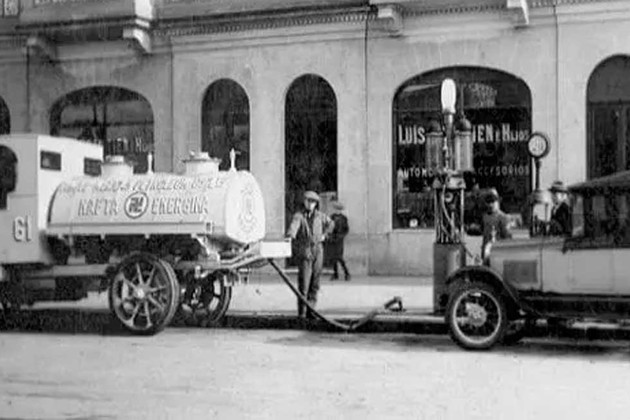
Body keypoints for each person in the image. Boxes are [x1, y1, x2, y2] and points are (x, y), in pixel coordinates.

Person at [286, 190, 335, 319]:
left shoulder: (320, 216)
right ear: (304, 202)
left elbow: (331, 223)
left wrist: (325, 235)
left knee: (315, 283)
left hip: (318, 250)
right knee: (304, 284)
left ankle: (311, 311)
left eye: (313, 202)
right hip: (305, 251)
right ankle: (302, 314)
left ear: (316, 204)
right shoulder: (299, 216)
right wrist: (290, 236)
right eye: (308, 201)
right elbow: (293, 228)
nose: (310, 204)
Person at [481, 188, 513, 264]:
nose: (490, 204)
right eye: (488, 201)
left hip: (498, 255)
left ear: (498, 201)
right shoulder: (485, 217)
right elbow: (485, 237)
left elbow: (507, 240)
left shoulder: (503, 218)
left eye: (493, 201)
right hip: (487, 254)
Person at [328, 201, 351, 281]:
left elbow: (346, 229)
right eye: (335, 209)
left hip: (339, 240)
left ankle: (347, 273)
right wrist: (329, 235)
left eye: (338, 209)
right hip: (333, 239)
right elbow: (329, 227)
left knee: (339, 257)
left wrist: (341, 236)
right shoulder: (332, 217)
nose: (336, 210)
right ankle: (335, 274)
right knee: (333, 258)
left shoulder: (344, 218)